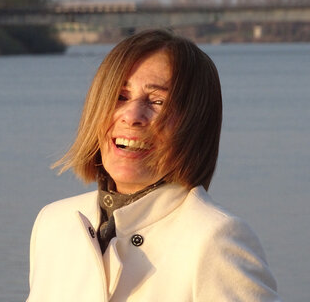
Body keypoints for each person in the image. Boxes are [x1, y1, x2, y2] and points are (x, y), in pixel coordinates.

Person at [27, 29, 280, 302]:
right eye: (120, 97)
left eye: (157, 102)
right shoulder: (54, 223)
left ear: (195, 126)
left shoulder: (214, 239)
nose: (132, 116)